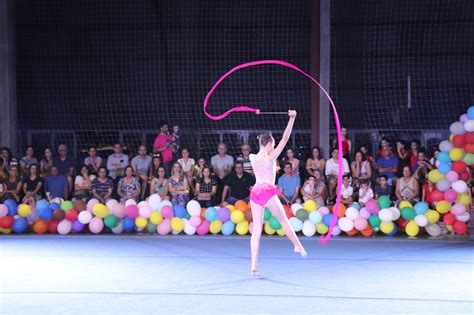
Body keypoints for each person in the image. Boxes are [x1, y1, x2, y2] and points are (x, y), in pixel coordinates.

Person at [249, 110, 307, 277]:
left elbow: (263, 171)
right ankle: (297, 245)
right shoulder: (270, 157)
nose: (273, 148)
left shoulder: (253, 157)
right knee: (283, 221)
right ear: (268, 145)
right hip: (267, 192)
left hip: (256, 193)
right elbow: (285, 138)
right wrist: (292, 118)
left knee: (257, 229)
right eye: (272, 145)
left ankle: (254, 264)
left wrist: (273, 169)